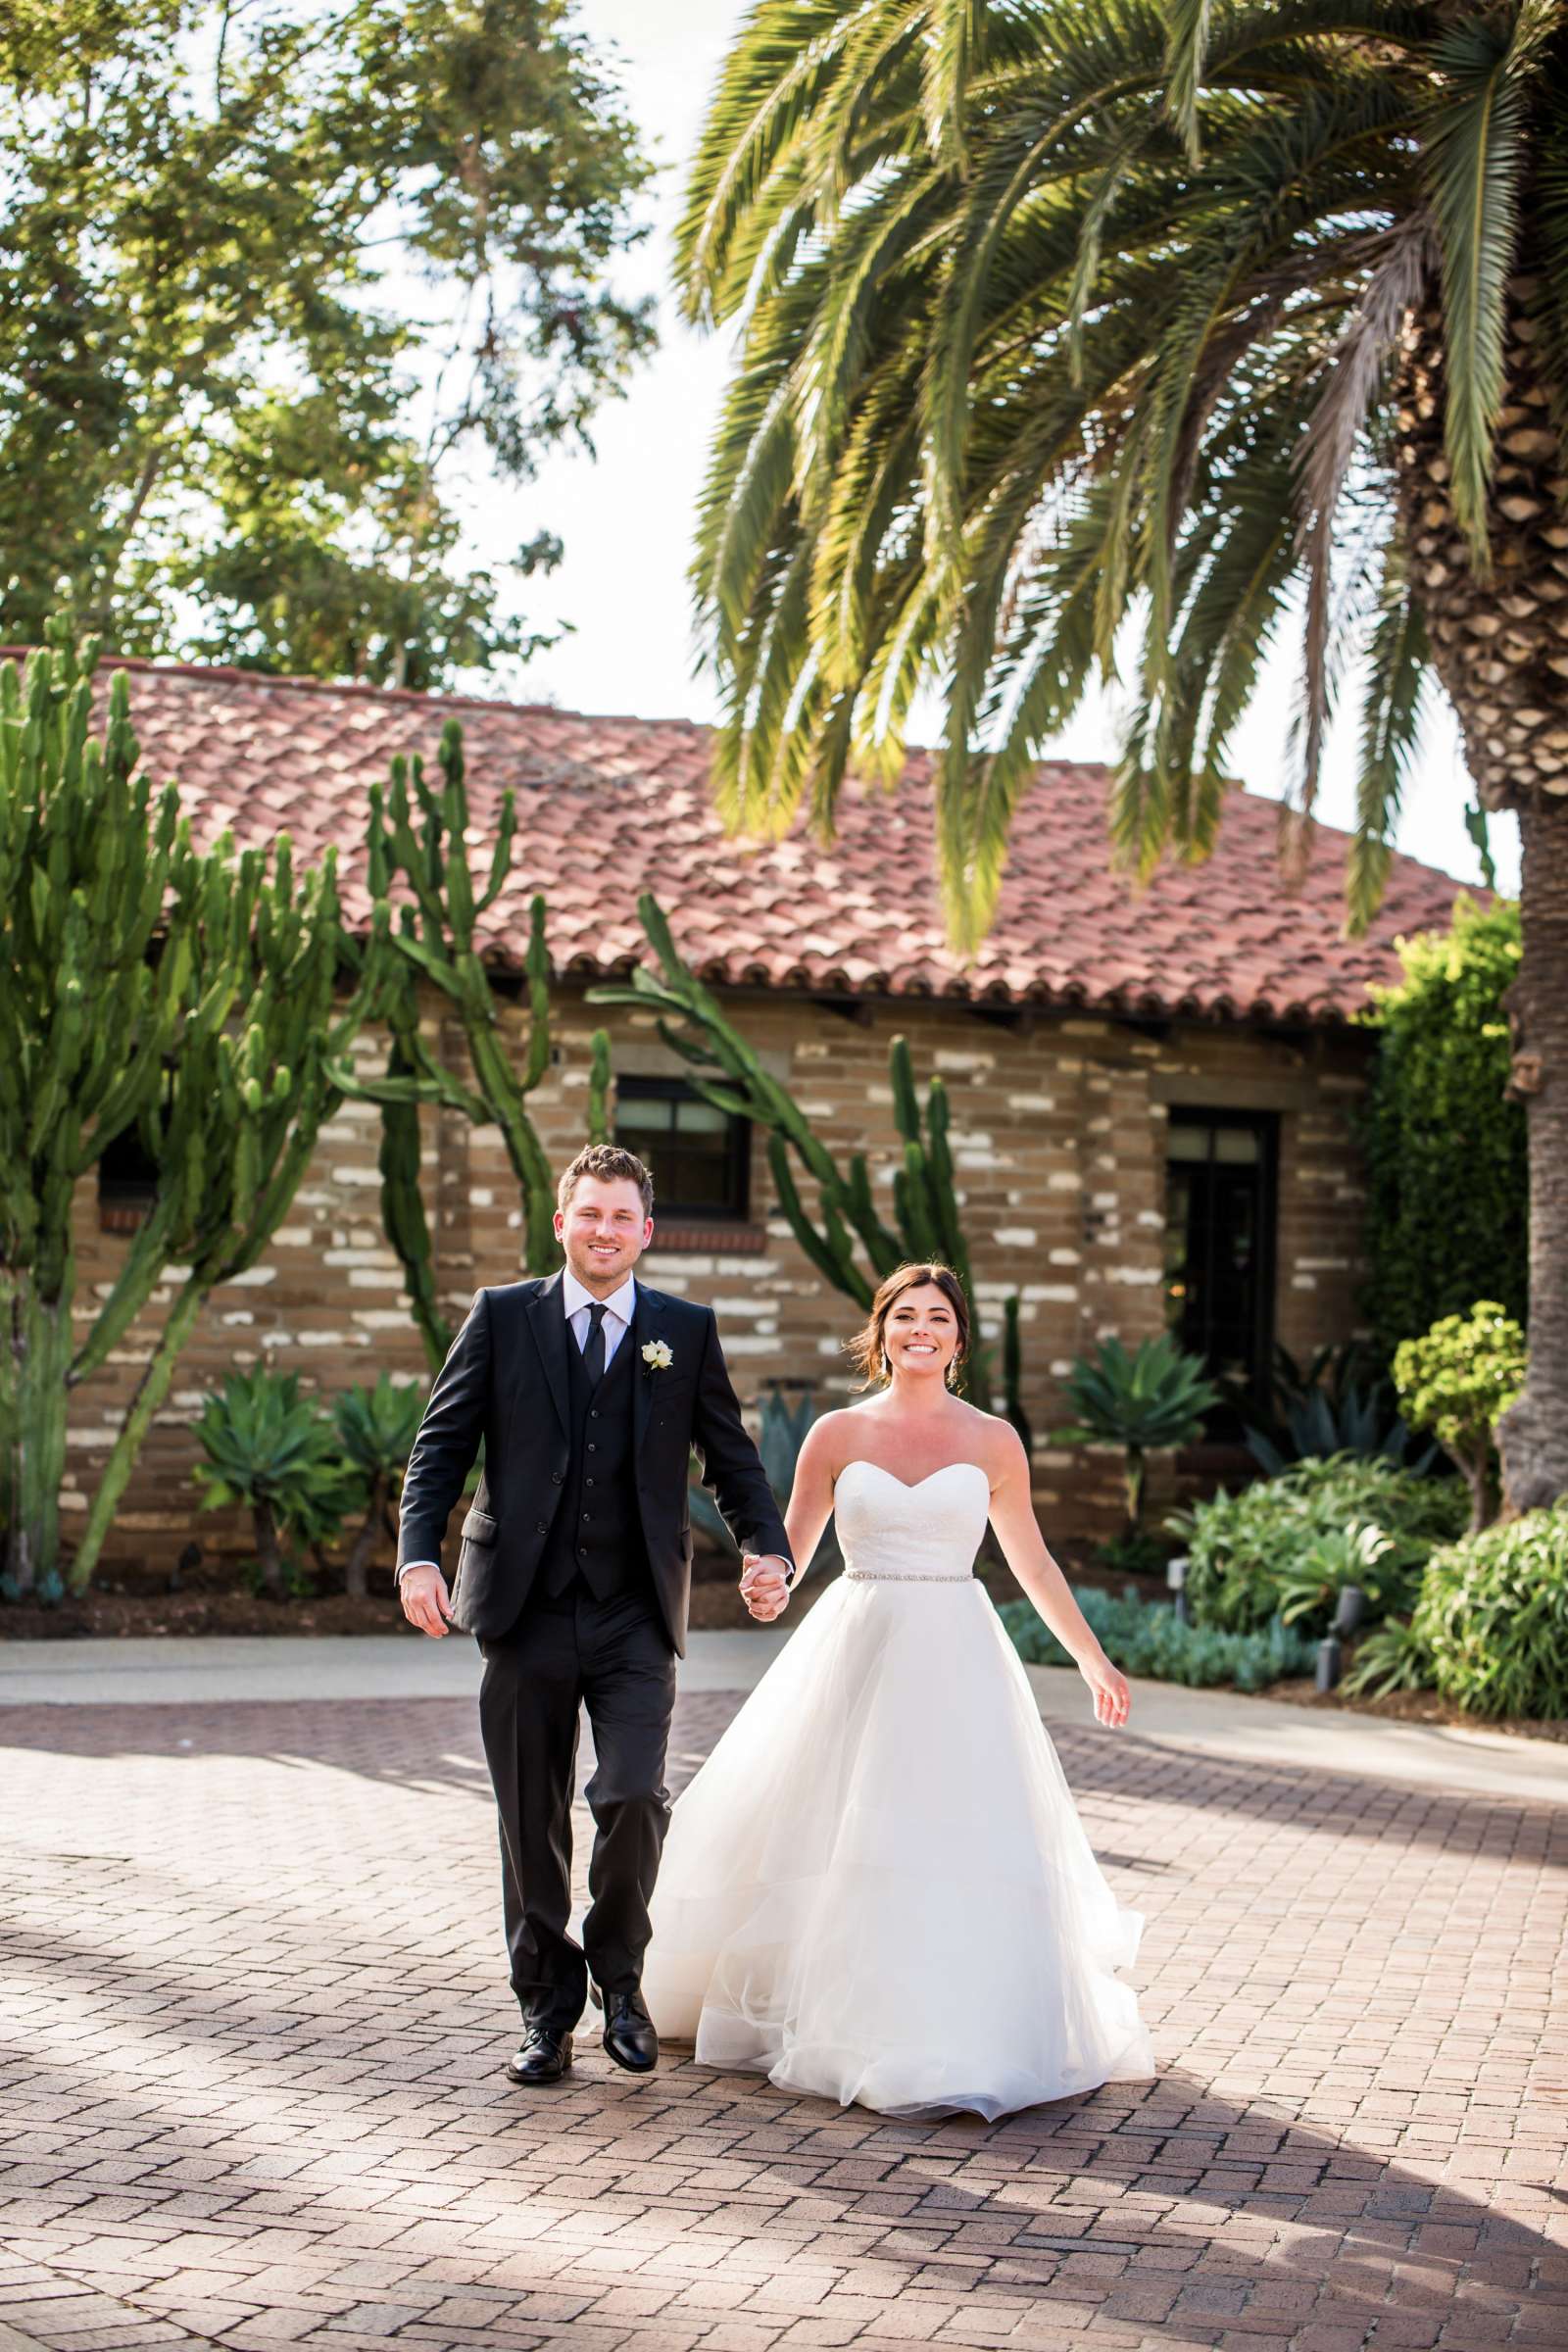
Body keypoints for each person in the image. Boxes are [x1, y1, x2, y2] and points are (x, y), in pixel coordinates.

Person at [638, 1260, 1156, 2120]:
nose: (923, 1329)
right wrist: (768, 1582)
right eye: (906, 1316)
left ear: (959, 1339)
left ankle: (956, 2021)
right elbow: (790, 1546)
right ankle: (834, 2008)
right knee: (842, 1824)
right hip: (859, 1640)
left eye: (939, 1318)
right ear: (881, 1334)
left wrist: (1093, 1660)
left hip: (958, 1654)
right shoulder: (836, 1434)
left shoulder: (994, 1441)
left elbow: (1031, 1560)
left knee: (953, 1834)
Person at [396, 1143, 794, 2088]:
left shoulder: (682, 1330)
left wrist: (765, 1545)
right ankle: (545, 2006)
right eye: (591, 1214)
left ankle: (621, 1978)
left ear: (646, 1232)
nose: (606, 1231)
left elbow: (730, 1456)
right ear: (561, 1222)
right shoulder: (502, 1317)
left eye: (624, 1217)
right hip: (523, 1607)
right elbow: (442, 1443)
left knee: (630, 1796)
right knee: (528, 1819)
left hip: (632, 1615)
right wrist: (418, 1554)